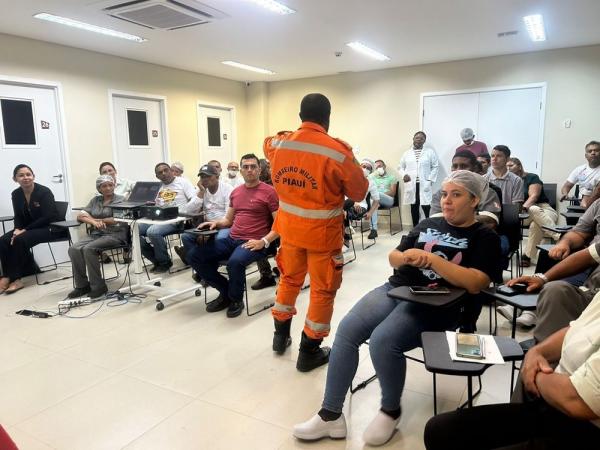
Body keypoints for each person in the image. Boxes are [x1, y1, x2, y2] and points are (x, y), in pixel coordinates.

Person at [293, 170, 501, 445]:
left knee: (382, 340)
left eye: (456, 195)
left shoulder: (484, 236)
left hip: (438, 302)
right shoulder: (429, 223)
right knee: (347, 331)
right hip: (398, 288)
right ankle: (331, 416)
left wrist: (432, 260)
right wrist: (406, 257)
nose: (446, 201)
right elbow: (394, 258)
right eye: (444, 194)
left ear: (475, 200)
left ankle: (390, 410)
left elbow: (477, 283)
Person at [264, 93, 368, 371]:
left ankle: (280, 338)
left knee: (289, 280)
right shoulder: (338, 151)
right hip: (322, 236)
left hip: (290, 232)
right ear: (328, 118)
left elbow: (267, 144)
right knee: (322, 291)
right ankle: (309, 351)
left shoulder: (279, 143)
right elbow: (359, 192)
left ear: (300, 116)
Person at [424, 294, 600, 450]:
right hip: (554, 406)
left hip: (584, 427)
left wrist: (534, 372)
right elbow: (574, 329)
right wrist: (536, 352)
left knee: (555, 290)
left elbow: (576, 400)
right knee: (438, 431)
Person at [188, 153, 279, 318]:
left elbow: (281, 224)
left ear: (259, 170)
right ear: (241, 171)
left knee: (234, 262)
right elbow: (228, 220)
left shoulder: (269, 192)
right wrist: (216, 223)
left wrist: (263, 241)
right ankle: (226, 291)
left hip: (254, 241)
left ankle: (236, 300)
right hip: (232, 238)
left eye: (253, 167)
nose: (249, 170)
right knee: (195, 256)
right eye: (245, 167)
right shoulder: (236, 192)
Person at [505, 241, 600, 340]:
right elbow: (588, 254)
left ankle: (531, 309)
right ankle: (542, 348)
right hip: (592, 294)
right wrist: (542, 279)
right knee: (555, 290)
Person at [0, 164, 66, 294]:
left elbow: (48, 216)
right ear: (15, 179)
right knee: (3, 240)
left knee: (19, 239)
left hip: (52, 227)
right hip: (30, 229)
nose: (25, 178)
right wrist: (16, 229)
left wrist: (24, 230)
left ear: (33, 176)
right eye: (21, 175)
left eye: (28, 174)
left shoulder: (44, 192)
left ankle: (15, 279)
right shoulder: (16, 194)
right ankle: (7, 276)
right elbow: (18, 215)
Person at [67, 175, 128, 299]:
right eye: (104, 186)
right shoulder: (95, 200)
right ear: (99, 188)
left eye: (110, 185)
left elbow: (117, 219)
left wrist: (95, 219)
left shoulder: (121, 199)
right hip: (97, 234)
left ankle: (98, 286)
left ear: (114, 186)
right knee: (73, 249)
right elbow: (80, 216)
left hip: (116, 234)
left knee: (89, 249)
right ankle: (82, 285)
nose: (107, 188)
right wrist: (94, 222)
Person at [138, 162, 198, 272]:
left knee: (152, 232)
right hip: (159, 217)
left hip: (178, 219)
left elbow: (194, 200)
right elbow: (153, 203)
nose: (164, 173)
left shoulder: (183, 182)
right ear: (157, 176)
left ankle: (164, 263)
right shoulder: (158, 186)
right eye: (160, 172)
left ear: (171, 170)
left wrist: (185, 212)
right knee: (135, 230)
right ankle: (156, 259)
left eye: (166, 170)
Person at [175, 164, 233, 264]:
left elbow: (228, 217)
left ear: (217, 176)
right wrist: (201, 192)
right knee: (186, 237)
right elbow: (188, 212)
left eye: (208, 176)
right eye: (202, 177)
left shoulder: (228, 189)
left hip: (225, 226)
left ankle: (210, 264)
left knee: (220, 238)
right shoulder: (201, 190)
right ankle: (199, 264)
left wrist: (212, 227)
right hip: (207, 226)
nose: (205, 179)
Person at [507, 157, 559, 268]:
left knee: (535, 221)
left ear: (519, 166)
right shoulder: (508, 181)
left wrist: (524, 208)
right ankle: (560, 237)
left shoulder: (532, 177)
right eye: (506, 166)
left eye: (510, 165)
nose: (508, 168)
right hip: (522, 214)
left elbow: (534, 196)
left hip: (544, 209)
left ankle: (527, 256)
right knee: (533, 211)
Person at [430, 150, 502, 229]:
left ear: (475, 168)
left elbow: (490, 222)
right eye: (455, 166)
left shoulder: (487, 191)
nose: (458, 170)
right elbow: (435, 220)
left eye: (464, 166)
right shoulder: (442, 192)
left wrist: (453, 219)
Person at [399, 131, 440, 226]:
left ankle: (430, 227)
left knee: (426, 206)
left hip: (424, 183)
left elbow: (435, 166)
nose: (419, 139)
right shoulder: (406, 153)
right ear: (413, 139)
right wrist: (403, 174)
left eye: (421, 138)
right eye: (417, 137)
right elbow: (400, 167)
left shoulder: (429, 152)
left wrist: (430, 179)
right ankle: (415, 228)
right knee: (414, 206)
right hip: (411, 184)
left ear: (424, 140)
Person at [561, 141, 600, 208]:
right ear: (586, 156)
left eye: (596, 150)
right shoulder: (579, 169)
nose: (593, 153)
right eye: (590, 151)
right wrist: (565, 194)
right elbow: (567, 186)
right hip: (580, 204)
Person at [370, 159, 398, 235]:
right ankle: (373, 230)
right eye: (376, 167)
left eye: (380, 166)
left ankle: (376, 200)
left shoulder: (391, 177)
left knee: (375, 196)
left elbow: (392, 192)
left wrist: (378, 195)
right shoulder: (373, 179)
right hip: (377, 201)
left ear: (384, 167)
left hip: (389, 200)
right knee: (372, 202)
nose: (378, 168)